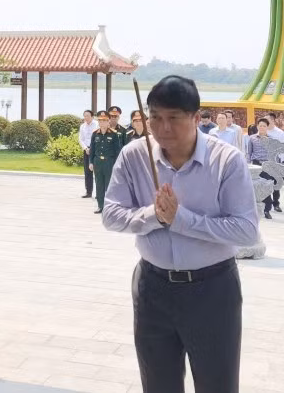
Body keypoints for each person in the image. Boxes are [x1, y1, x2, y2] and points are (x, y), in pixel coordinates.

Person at [102, 75, 259, 393]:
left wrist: (181, 219)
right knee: (158, 384)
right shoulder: (134, 155)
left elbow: (246, 230)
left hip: (212, 289)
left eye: (174, 118)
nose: (163, 128)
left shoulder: (225, 160)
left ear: (196, 118)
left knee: (217, 383)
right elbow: (111, 215)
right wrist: (153, 216)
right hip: (153, 286)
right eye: (155, 117)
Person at [248, 117, 282, 219]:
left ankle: (271, 206)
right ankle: (263, 209)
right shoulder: (252, 138)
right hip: (256, 164)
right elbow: (249, 153)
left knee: (269, 185)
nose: (262, 127)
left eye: (264, 126)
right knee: (260, 186)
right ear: (257, 126)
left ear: (267, 127)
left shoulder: (271, 139)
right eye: (260, 125)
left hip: (268, 165)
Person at [90, 110, 122, 214]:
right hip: (98, 162)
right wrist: (91, 162)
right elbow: (92, 150)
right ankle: (100, 206)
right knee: (99, 185)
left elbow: (118, 150)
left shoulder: (113, 134)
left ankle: (109, 207)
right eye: (100, 121)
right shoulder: (95, 134)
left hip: (109, 162)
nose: (102, 123)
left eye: (104, 121)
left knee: (109, 185)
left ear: (108, 122)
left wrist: (117, 165)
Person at [78, 109, 98, 198]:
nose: (86, 118)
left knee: (98, 172)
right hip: (86, 150)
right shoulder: (82, 126)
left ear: (92, 117)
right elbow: (80, 139)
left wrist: (93, 148)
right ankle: (88, 192)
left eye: (88, 116)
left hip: (96, 150)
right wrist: (85, 148)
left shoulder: (97, 124)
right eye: (84, 116)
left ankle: (99, 193)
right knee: (87, 172)